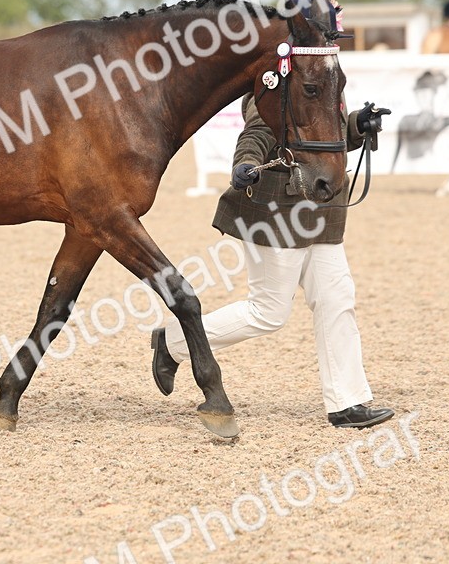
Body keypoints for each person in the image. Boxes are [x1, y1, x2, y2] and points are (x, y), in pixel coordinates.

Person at [150, 95, 395, 429]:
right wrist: (246, 161)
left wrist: (355, 127)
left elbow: (321, 138)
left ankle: (346, 403)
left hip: (324, 210)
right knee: (268, 312)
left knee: (337, 300)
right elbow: (257, 130)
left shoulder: (328, 75)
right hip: (278, 211)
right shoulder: (278, 78)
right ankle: (174, 341)